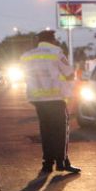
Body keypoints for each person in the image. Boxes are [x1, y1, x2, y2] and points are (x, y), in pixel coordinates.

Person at [20, 30, 80, 174]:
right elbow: (69, 74)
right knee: (60, 131)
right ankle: (62, 162)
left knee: (45, 130)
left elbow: (26, 76)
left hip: (38, 99)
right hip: (56, 98)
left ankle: (47, 164)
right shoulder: (56, 52)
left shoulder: (27, 56)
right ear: (52, 40)